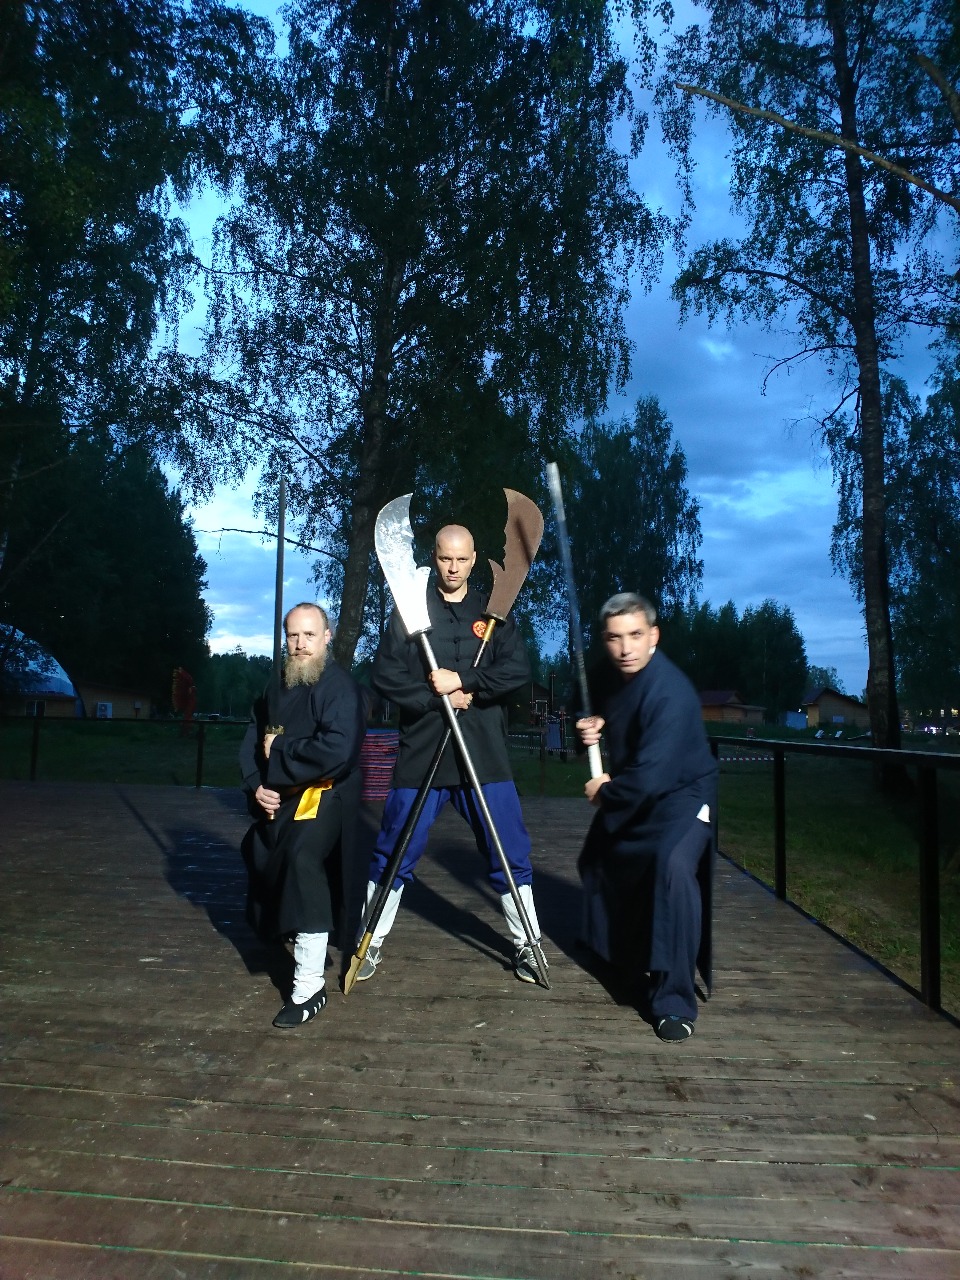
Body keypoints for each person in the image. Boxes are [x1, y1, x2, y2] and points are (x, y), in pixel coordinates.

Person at [356, 523, 546, 984]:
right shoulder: (411, 609)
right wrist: (432, 697)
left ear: (474, 559)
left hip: (483, 753)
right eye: (445, 558)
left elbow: (516, 669)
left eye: (462, 559)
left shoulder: (494, 611)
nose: (453, 568)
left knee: (509, 851)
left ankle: (527, 944)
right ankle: (368, 941)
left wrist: (465, 682)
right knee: (394, 850)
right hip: (423, 751)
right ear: (434, 557)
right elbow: (385, 674)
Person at [576, 592, 716, 1042]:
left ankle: (674, 1001)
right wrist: (590, 723)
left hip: (682, 797)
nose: (625, 648)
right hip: (640, 789)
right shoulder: (609, 672)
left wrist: (605, 791)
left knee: (671, 870)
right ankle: (614, 953)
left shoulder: (670, 692)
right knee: (597, 857)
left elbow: (652, 777)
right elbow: (587, 701)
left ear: (653, 636)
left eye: (635, 635)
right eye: (615, 638)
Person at [240, 603, 366, 1029]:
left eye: (309, 635)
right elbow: (252, 737)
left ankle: (309, 985)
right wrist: (257, 785)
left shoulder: (341, 688)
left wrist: (279, 753)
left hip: (327, 793)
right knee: (258, 847)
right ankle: (288, 929)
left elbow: (338, 751)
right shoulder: (276, 685)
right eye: (293, 636)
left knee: (301, 857)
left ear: (326, 637)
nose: (300, 645)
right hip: (282, 792)